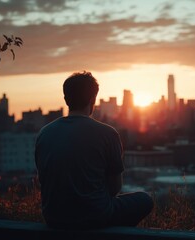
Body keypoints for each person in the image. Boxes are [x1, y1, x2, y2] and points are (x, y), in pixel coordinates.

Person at [35, 71, 153, 229]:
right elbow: (114, 188)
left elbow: (43, 180)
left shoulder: (44, 133)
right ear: (93, 99)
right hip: (95, 217)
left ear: (66, 99)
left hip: (53, 217)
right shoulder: (108, 134)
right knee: (145, 200)